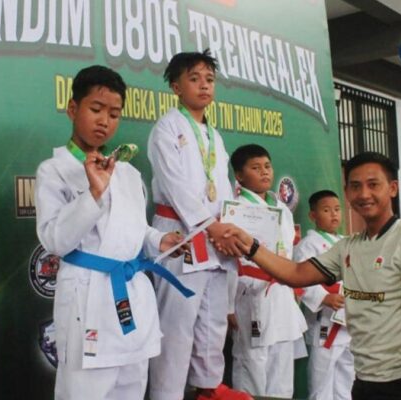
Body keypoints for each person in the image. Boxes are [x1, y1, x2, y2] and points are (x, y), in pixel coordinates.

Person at [216, 151, 401, 400]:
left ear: (392, 188)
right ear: (347, 192)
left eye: (373, 185)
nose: (364, 194)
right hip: (367, 379)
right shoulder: (349, 246)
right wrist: (250, 246)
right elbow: (296, 273)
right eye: (355, 186)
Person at [35, 65, 187, 399]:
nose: (105, 121)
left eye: (114, 114)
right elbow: (55, 240)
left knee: (131, 388)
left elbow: (134, 229)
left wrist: (158, 239)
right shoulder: (54, 171)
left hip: (132, 294)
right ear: (72, 108)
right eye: (96, 109)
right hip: (88, 298)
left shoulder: (127, 173)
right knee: (85, 392)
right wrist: (93, 194)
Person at [146, 50, 251, 400]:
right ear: (176, 87)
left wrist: (228, 226)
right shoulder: (167, 128)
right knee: (176, 325)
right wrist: (210, 225)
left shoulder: (214, 136)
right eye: (194, 79)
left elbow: (221, 189)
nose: (204, 85)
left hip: (216, 239)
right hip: (180, 234)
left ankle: (208, 388)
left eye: (209, 79)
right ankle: (167, 395)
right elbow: (174, 185)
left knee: (212, 321)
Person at [226, 144, 307, 398]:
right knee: (252, 364)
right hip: (250, 293)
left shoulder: (282, 208)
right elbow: (227, 261)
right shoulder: (234, 208)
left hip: (281, 293)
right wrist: (227, 305)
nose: (264, 172)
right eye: (256, 167)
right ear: (239, 175)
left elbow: (288, 256)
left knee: (281, 367)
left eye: (267, 166)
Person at [294, 190, 355, 400]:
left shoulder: (347, 242)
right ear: (313, 215)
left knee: (347, 378)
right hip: (325, 321)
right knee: (321, 382)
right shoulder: (307, 245)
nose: (334, 214)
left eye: (337, 209)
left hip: (347, 319)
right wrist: (323, 297)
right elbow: (300, 279)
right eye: (327, 210)